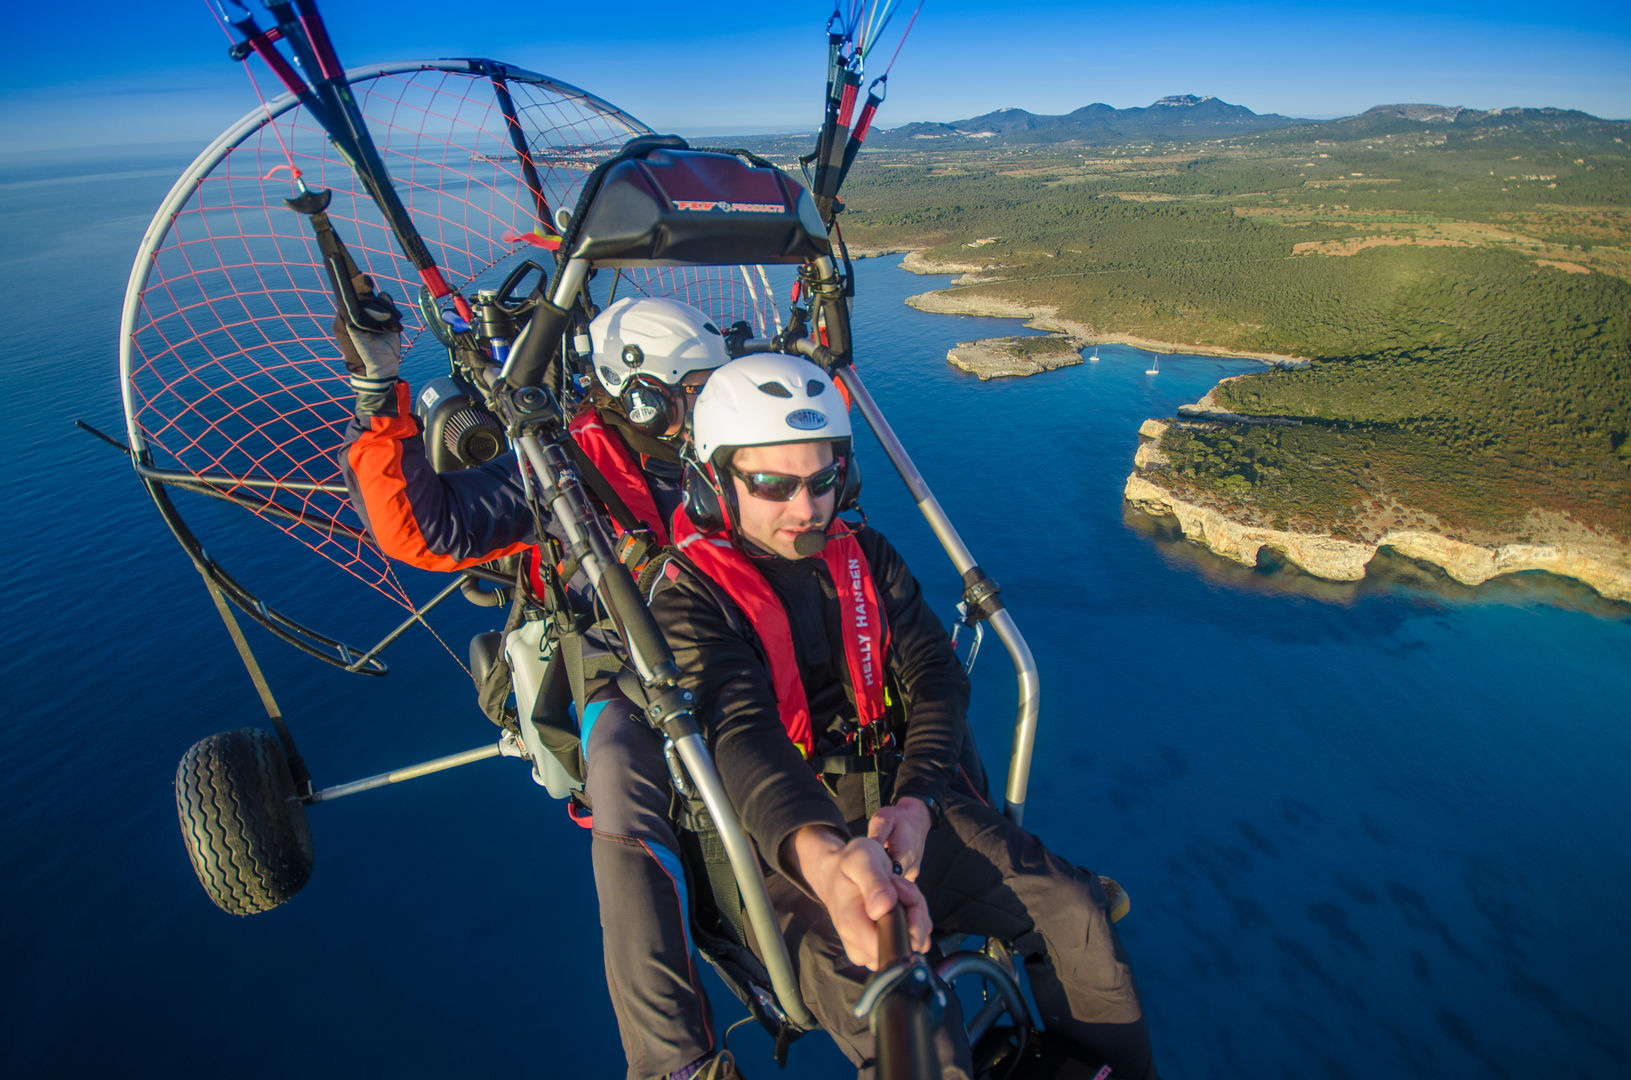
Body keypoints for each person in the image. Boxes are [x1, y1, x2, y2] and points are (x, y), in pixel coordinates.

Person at [648, 353, 1159, 1079]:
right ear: (711, 481)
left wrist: (917, 801)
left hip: (902, 805)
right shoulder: (686, 597)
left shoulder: (867, 557)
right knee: (916, 1029)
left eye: (823, 481)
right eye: (772, 484)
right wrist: (824, 862)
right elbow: (740, 733)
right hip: (783, 849)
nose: (805, 507)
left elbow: (935, 675)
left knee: (1073, 910)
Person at [336, 286, 739, 1080]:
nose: (705, 409)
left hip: (730, 650)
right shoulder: (559, 471)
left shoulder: (723, 456)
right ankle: (672, 1063)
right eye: (693, 393)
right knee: (624, 787)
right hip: (622, 676)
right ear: (643, 394)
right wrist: (377, 391)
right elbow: (423, 529)